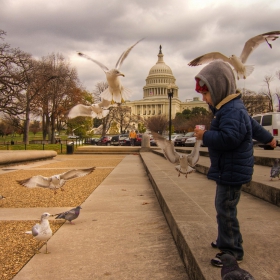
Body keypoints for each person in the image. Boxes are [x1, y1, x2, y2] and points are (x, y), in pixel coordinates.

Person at [193, 60, 276, 267]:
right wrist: (269, 139)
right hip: (229, 168)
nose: (204, 99)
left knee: (225, 210)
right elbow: (253, 127)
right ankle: (228, 240)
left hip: (231, 170)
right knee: (224, 208)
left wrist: (205, 135)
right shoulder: (232, 108)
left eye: (206, 93)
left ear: (218, 88)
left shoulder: (231, 110)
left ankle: (232, 251)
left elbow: (229, 138)